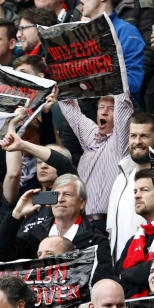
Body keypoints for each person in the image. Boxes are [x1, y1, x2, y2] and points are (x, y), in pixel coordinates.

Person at [0, 174, 115, 281]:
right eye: (56, 195)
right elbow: (2, 252)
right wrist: (16, 214)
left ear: (82, 203)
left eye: (67, 194)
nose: (60, 199)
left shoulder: (95, 240)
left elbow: (100, 280)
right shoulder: (37, 234)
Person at [57, 93, 133, 230]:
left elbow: (123, 103)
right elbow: (71, 110)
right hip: (78, 222)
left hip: (106, 224)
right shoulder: (91, 136)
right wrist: (62, 79)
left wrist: (116, 79)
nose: (104, 111)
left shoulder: (120, 143)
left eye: (111, 108)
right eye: (101, 107)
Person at [107, 113, 154, 259]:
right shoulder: (120, 179)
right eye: (133, 136)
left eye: (144, 136)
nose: (137, 141)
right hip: (120, 268)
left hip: (151, 268)